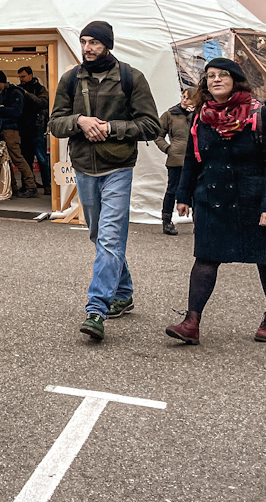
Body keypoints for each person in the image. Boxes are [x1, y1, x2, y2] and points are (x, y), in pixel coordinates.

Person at [165, 59, 266, 346]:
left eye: (223, 75)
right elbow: (191, 158)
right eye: (210, 76)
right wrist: (183, 195)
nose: (215, 79)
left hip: (256, 200)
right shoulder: (200, 116)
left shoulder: (261, 114)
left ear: (236, 80)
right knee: (205, 258)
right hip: (213, 198)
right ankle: (191, 322)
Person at [49, 20, 160, 342]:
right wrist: (80, 121)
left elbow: (151, 126)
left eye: (94, 42)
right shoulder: (71, 79)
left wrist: (111, 128)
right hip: (84, 167)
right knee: (99, 235)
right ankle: (123, 292)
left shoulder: (130, 78)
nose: (87, 48)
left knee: (110, 239)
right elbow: (55, 123)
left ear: (107, 44)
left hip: (118, 168)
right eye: (84, 41)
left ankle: (96, 309)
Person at [0, 71, 38, 198]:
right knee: (6, 160)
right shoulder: (6, 93)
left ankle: (31, 185)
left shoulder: (14, 92)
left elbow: (17, 111)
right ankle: (12, 186)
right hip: (3, 129)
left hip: (11, 131)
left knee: (17, 159)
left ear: (0, 82)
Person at [155, 86, 200, 236]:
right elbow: (157, 134)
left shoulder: (200, 115)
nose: (185, 100)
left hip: (196, 160)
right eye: (183, 97)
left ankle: (199, 222)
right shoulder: (170, 114)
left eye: (189, 98)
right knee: (172, 190)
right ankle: (167, 221)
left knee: (197, 191)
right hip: (176, 159)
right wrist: (168, 148)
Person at [18, 67, 50, 191]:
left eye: (23, 76)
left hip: (36, 127)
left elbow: (43, 103)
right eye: (19, 77)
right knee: (26, 158)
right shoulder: (20, 89)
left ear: (30, 75)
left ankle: (47, 185)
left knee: (41, 158)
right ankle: (29, 185)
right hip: (24, 127)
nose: (21, 79)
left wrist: (27, 94)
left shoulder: (39, 89)